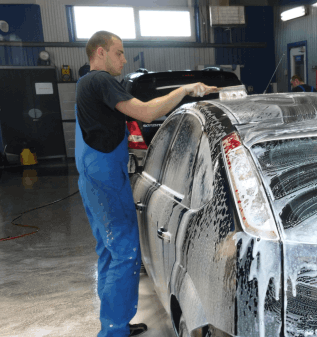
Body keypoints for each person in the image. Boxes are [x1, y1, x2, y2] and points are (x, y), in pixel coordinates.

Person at [74, 31, 213, 337]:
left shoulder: (85, 83)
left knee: (110, 252)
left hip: (94, 177)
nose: (124, 59)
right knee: (124, 253)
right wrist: (185, 90)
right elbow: (147, 112)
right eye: (119, 53)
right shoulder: (101, 80)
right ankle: (113, 332)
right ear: (100, 52)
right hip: (106, 179)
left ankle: (115, 324)